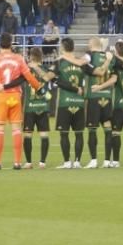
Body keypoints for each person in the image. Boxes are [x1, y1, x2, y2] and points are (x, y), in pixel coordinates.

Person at [0, 32, 42, 170]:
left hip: (1, 96)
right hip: (15, 96)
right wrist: (38, 87)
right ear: (11, 44)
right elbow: (28, 76)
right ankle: (17, 163)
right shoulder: (19, 58)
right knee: (16, 129)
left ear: (0, 44)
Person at [51, 37, 91, 169]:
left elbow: (52, 78)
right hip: (79, 102)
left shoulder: (59, 62)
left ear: (62, 47)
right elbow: (93, 75)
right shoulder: (81, 63)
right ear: (73, 47)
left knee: (64, 133)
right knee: (79, 133)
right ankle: (78, 161)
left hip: (64, 102)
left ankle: (67, 162)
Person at [82, 37, 114, 168]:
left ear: (90, 45)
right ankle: (107, 161)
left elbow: (98, 71)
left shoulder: (89, 56)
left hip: (93, 98)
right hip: (107, 97)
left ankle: (94, 160)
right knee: (108, 128)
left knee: (92, 129)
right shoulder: (111, 57)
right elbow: (114, 78)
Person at [19, 47, 54, 168]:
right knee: (44, 135)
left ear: (31, 56)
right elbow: (48, 78)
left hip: (30, 107)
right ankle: (42, 162)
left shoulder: (27, 70)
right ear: (42, 57)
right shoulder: (46, 69)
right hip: (43, 107)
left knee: (28, 135)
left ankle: (28, 162)